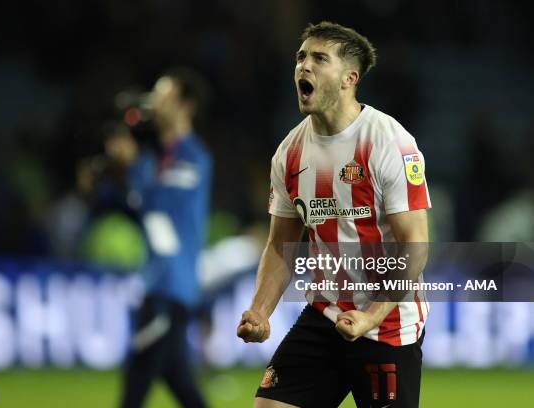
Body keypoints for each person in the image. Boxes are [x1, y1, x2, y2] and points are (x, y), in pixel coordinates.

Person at [236, 22, 431, 408]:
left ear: (349, 79)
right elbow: (280, 246)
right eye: (301, 57)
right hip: (324, 313)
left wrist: (370, 317)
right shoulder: (289, 153)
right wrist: (260, 311)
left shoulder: (388, 142)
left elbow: (416, 245)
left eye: (319, 58)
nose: (303, 66)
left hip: (388, 325)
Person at [116, 68, 212, 408]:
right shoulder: (151, 160)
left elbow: (158, 205)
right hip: (158, 283)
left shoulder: (194, 159)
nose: (154, 103)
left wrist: (131, 168)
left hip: (171, 287)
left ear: (186, 106)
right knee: (181, 383)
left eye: (164, 96)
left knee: (137, 376)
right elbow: (138, 207)